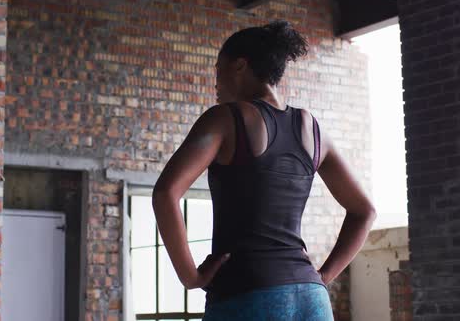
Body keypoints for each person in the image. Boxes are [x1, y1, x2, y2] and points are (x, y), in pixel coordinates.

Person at [152, 20, 377, 320]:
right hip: (312, 299)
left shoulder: (225, 119)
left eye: (218, 71)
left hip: (249, 293)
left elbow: (166, 192)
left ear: (240, 66)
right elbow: (365, 211)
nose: (215, 84)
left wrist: (189, 276)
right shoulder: (312, 128)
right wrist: (322, 277)